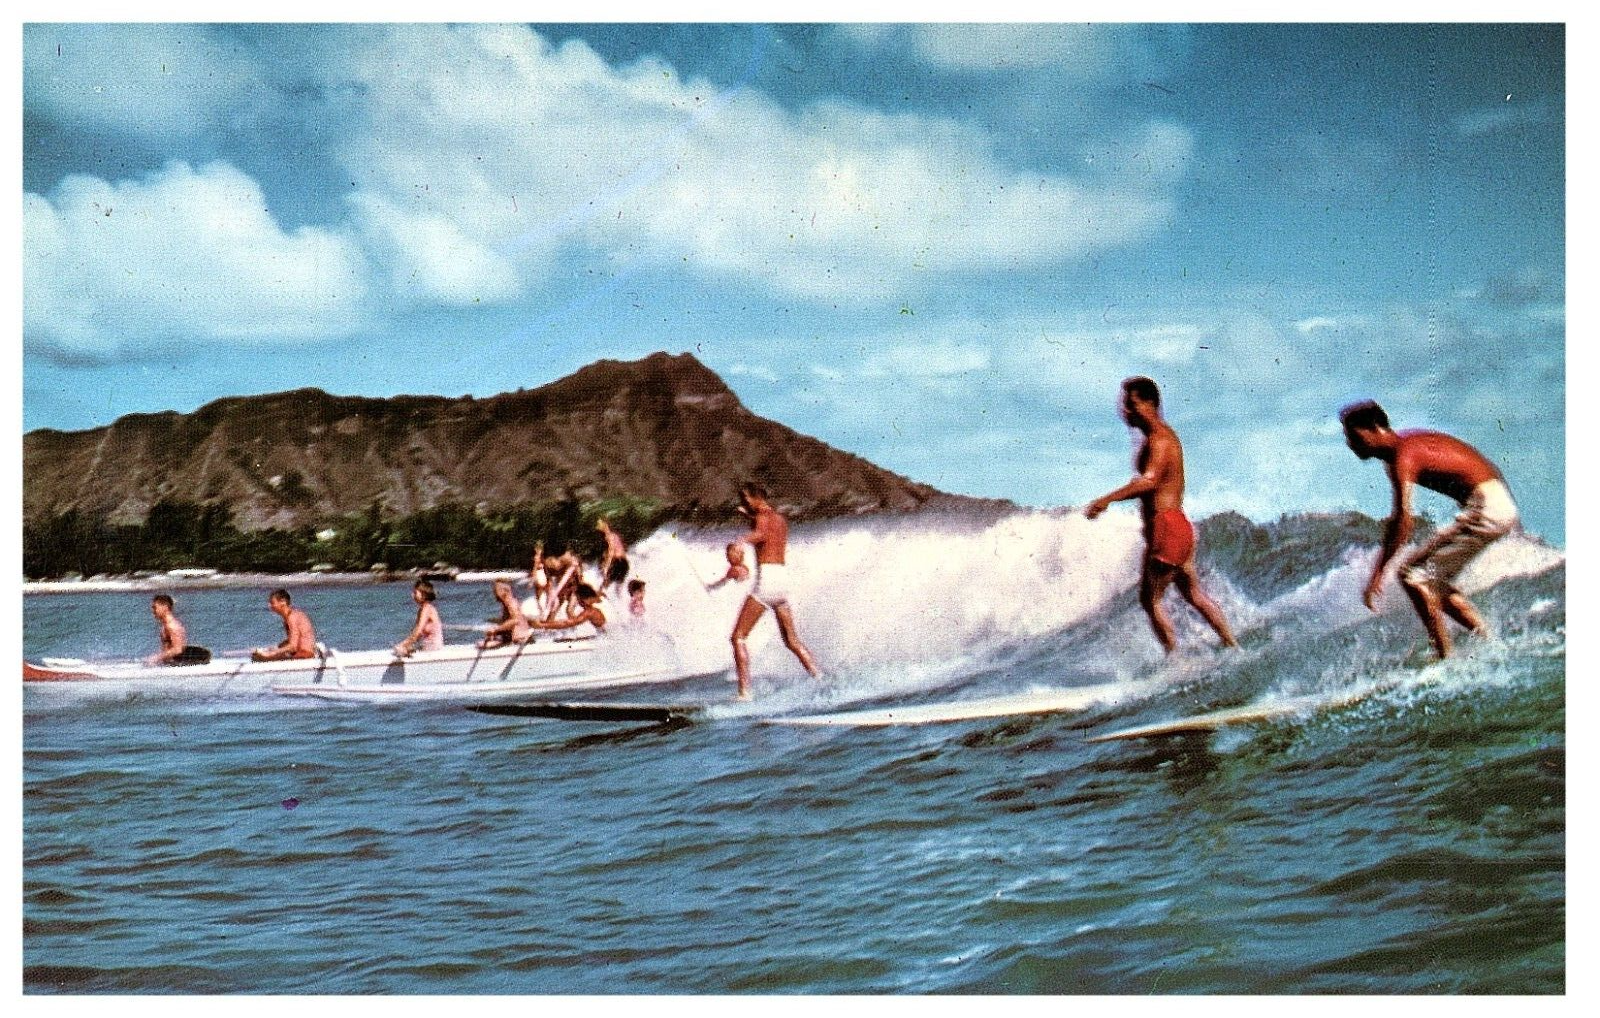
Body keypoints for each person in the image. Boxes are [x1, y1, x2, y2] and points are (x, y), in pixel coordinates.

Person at [1339, 400, 1519, 659]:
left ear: (1376, 428)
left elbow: (1404, 521)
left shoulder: (1405, 454)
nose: (1350, 444)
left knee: (1413, 575)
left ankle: (1446, 657)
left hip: (1487, 504)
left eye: (1354, 436)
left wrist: (1379, 572)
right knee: (1430, 582)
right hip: (1494, 502)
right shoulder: (1398, 455)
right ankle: (1489, 642)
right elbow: (1396, 522)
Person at [1085, 376, 1238, 654]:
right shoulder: (1161, 437)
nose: (1126, 411)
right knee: (1193, 594)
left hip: (1167, 526)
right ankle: (1232, 645)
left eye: (1132, 405)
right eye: (1124, 405)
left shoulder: (1160, 440)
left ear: (1151, 403)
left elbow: (1149, 481)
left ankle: (1175, 659)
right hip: (1177, 525)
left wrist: (1106, 500)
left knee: (1150, 599)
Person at [729, 483, 823, 700]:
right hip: (783, 580)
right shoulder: (779, 519)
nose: (742, 503)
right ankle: (819, 678)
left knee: (738, 637)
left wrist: (741, 540)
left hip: (768, 580)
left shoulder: (760, 519)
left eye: (745, 499)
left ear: (757, 497)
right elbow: (767, 529)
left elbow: (761, 533)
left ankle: (744, 693)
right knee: (792, 641)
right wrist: (750, 517)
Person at [252, 589, 318, 661]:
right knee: (257, 655)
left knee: (259, 658)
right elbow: (294, 640)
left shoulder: (292, 617)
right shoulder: (289, 617)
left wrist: (272, 653)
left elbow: (293, 646)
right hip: (299, 652)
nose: (269, 606)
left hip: (305, 654)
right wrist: (274, 648)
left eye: (272, 603)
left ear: (283, 602)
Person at [146, 594, 209, 665]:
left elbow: (177, 649)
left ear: (165, 607)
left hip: (176, 666)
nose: (152, 611)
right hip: (169, 664)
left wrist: (157, 658)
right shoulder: (166, 626)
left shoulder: (172, 626)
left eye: (155, 608)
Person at [531, 582, 607, 638]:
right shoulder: (603, 598)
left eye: (578, 600)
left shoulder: (590, 612)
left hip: (604, 641)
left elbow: (567, 623)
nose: (578, 603)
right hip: (606, 637)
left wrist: (541, 625)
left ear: (583, 599)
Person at [393, 579, 444, 657]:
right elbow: (416, 633)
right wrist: (407, 645)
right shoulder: (421, 610)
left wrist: (402, 644)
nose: (412, 595)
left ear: (424, 594)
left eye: (415, 593)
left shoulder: (427, 608)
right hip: (427, 647)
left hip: (433, 649)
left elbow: (418, 632)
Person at [481, 579, 535, 648]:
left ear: (505, 590)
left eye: (496, 590)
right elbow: (509, 623)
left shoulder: (512, 604)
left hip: (520, 641)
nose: (494, 592)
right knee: (481, 644)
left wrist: (496, 629)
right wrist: (496, 631)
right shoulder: (506, 605)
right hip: (512, 640)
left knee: (484, 645)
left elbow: (515, 621)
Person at [597, 518, 630, 599]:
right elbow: (621, 549)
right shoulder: (615, 535)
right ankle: (620, 602)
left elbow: (611, 551)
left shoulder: (608, 537)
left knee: (605, 584)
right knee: (618, 585)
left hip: (618, 562)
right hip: (624, 563)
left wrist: (606, 566)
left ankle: (598, 599)